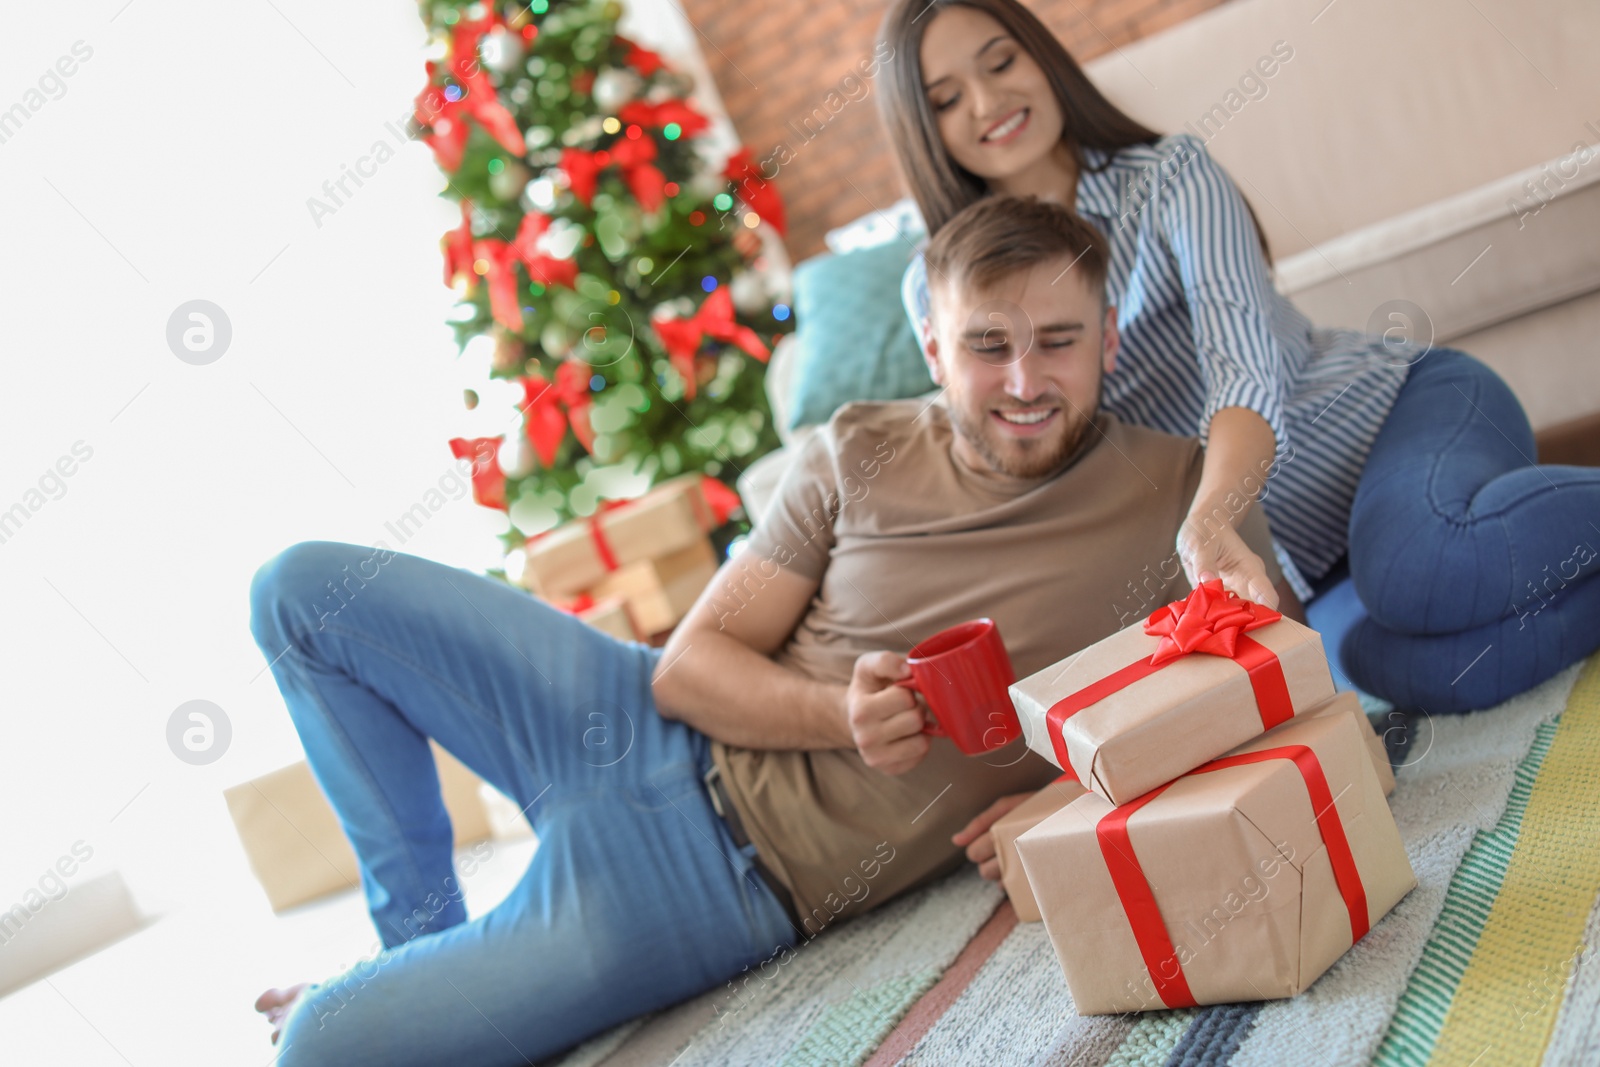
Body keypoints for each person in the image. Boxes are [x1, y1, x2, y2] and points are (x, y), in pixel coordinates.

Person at [247, 195, 1288, 1064]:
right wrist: (844, 713)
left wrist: (1069, 789)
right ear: (934, 346)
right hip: (619, 713)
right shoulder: (857, 447)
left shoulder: (1174, 499)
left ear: (1107, 340)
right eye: (987, 345)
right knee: (300, 591)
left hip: (716, 883)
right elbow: (685, 669)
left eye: (1059, 341)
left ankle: (389, 986)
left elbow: (1278, 673)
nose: (1025, 381)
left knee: (325, 1044)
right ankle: (419, 940)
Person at [878, 0, 1600, 714]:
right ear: (923, 129)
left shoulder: (1169, 178)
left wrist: (1213, 513)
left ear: (1043, 57)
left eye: (1002, 61)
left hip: (1399, 414)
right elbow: (1001, 464)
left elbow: (1243, 364)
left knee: (1419, 570)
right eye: (946, 99)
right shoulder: (933, 285)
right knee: (1401, 669)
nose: (987, 101)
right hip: (1315, 555)